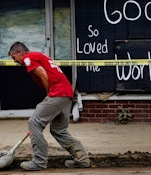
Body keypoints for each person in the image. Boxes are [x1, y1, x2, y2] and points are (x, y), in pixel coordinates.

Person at [8, 41, 90, 171]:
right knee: (58, 130)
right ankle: (82, 159)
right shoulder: (38, 56)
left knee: (34, 122)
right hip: (67, 93)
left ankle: (39, 162)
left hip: (57, 93)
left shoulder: (28, 58)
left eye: (13, 57)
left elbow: (43, 74)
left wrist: (49, 94)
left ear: (20, 52)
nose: (14, 61)